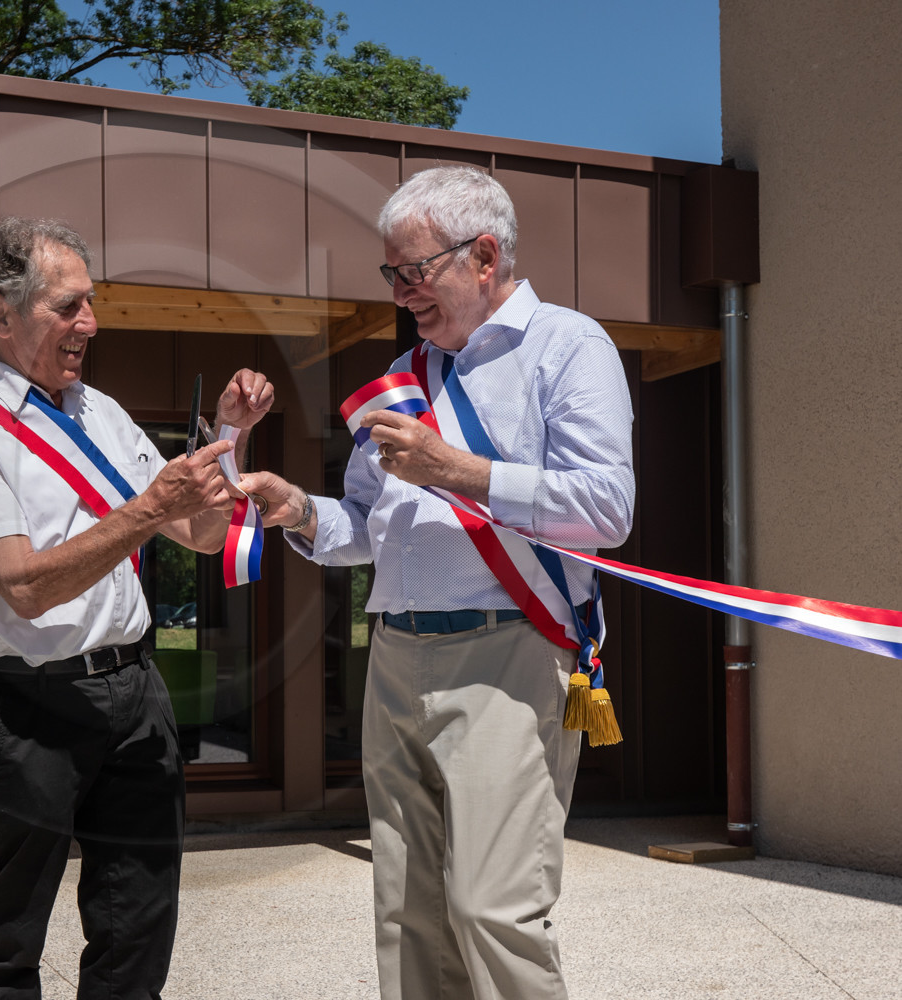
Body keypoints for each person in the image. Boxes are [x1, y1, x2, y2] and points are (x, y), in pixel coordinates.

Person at [240, 166, 635, 1000]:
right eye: (392, 274)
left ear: (485, 254)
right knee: (407, 913)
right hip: (395, 658)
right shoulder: (407, 373)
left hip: (511, 651)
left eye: (413, 272)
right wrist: (296, 513)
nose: (401, 294)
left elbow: (607, 507)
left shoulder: (568, 345)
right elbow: (362, 527)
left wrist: (460, 470)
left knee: (492, 908)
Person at [0, 217, 273, 1000]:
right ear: (0, 313)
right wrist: (149, 509)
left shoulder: (101, 413)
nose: (89, 323)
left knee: (137, 921)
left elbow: (202, 536)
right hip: (27, 703)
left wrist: (230, 441)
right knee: (12, 936)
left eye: (90, 303)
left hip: (135, 691)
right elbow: (24, 586)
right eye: (67, 305)